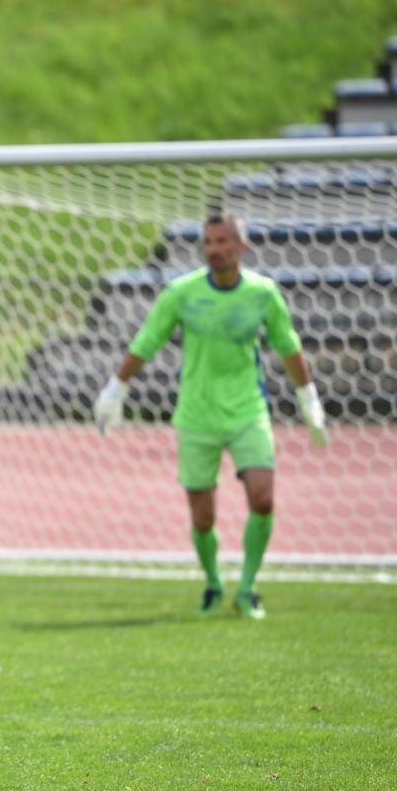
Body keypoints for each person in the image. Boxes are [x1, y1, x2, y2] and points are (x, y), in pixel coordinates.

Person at [93, 213, 329, 620]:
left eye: (222, 241)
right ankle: (213, 582)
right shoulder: (181, 292)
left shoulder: (262, 293)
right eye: (208, 242)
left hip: (248, 410)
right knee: (203, 517)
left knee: (263, 497)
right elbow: (148, 340)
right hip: (196, 415)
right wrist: (116, 389)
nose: (214, 249)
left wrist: (309, 399)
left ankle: (247, 588)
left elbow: (287, 345)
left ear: (241, 246)